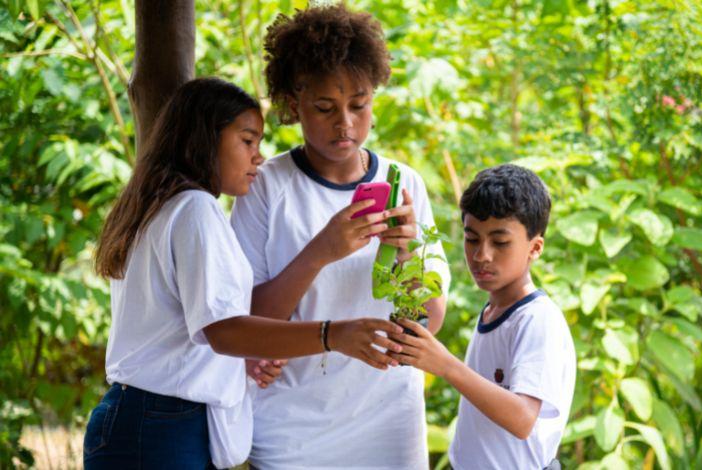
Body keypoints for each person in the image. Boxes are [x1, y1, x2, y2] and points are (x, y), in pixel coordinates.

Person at [84, 77, 404, 469]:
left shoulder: (161, 206)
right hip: (159, 427)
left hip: (150, 419)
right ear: (205, 139)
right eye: (247, 140)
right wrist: (332, 335)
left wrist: (238, 363)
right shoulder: (194, 209)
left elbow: (182, 335)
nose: (258, 156)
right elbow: (224, 331)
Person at [230, 4, 450, 469]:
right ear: (294, 104)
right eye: (325, 108)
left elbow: (428, 322)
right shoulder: (266, 187)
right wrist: (319, 253)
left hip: (390, 423)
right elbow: (244, 324)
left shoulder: (404, 184)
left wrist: (405, 252)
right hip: (291, 431)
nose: (345, 123)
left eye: (359, 105)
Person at [390, 164, 576, 470]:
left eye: (500, 242)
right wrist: (403, 251)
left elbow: (522, 419)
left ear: (535, 248)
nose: (481, 255)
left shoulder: (538, 320)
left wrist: (446, 365)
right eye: (472, 239)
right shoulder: (494, 311)